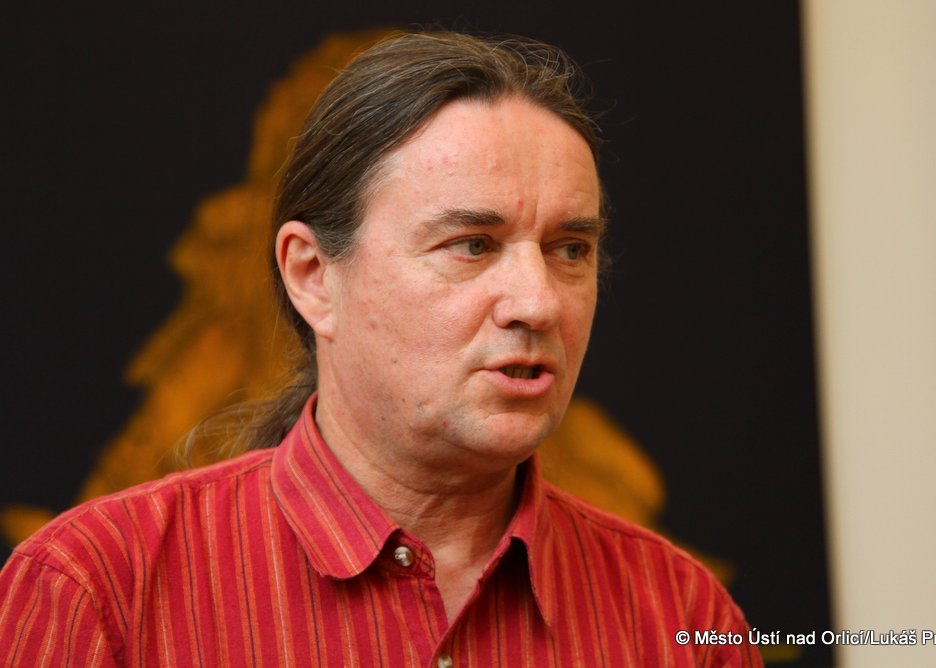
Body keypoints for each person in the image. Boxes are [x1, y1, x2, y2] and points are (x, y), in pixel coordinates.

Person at [0, 31, 762, 666]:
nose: (538, 303)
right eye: (472, 244)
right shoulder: (101, 590)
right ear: (312, 276)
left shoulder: (684, 618)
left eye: (570, 250)